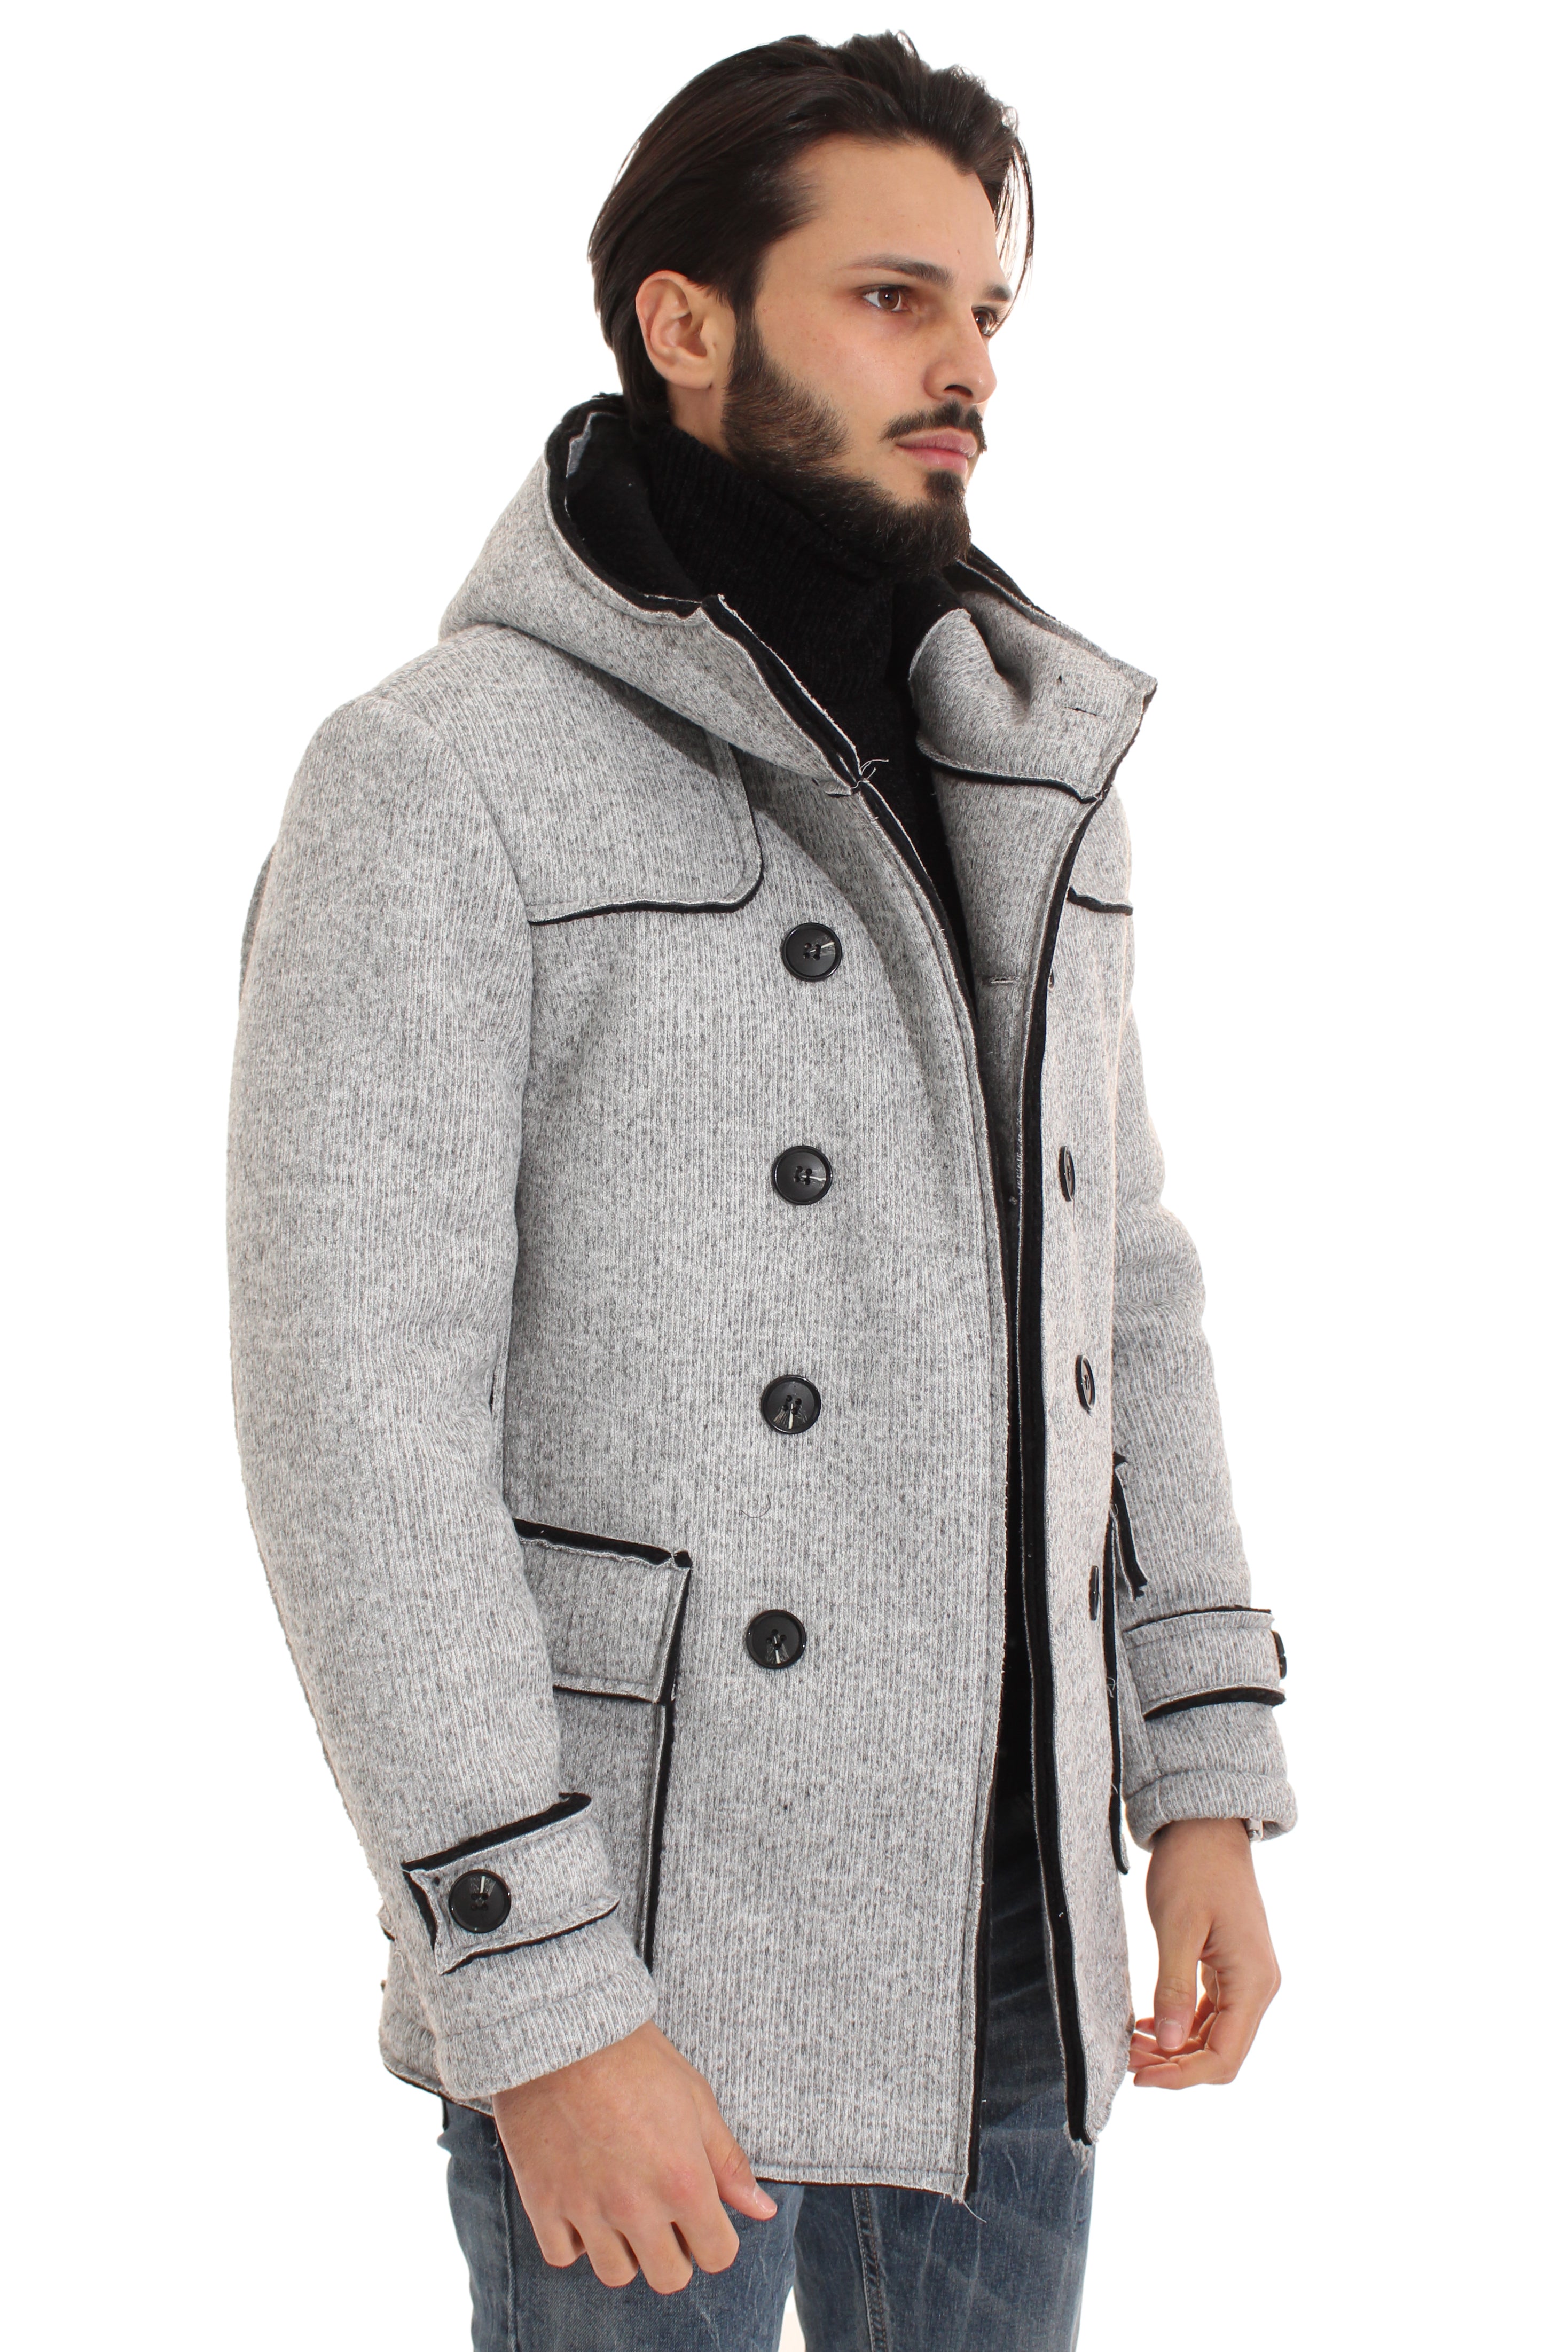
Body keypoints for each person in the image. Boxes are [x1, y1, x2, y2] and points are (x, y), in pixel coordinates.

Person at [228, 31, 1295, 2350]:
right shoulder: (440, 773)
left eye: (985, 312)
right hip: (649, 1938)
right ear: (683, 323)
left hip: (1009, 1921)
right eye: (892, 301)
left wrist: (1197, 1769)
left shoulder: (1022, 748)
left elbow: (1123, 1281)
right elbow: (355, 1422)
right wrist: (536, 1993)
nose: (964, 366)